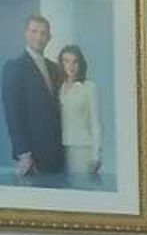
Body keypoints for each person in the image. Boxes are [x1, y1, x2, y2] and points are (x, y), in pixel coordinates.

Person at [2, 12, 64, 181]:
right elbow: (12, 114)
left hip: (58, 152)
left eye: (43, 33)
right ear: (26, 33)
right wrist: (24, 153)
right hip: (33, 155)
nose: (39, 37)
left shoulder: (54, 68)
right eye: (34, 31)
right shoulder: (14, 67)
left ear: (49, 37)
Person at [56, 45, 102, 182]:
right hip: (59, 149)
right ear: (61, 63)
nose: (71, 66)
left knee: (81, 187)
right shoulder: (58, 87)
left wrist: (96, 155)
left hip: (82, 149)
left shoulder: (89, 87)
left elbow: (95, 122)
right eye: (66, 61)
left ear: (80, 64)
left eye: (75, 61)